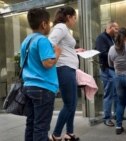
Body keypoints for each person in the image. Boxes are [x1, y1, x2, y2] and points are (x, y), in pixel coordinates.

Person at [21, 8, 61, 141]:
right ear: (43, 24)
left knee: (31, 124)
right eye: (49, 23)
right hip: (43, 88)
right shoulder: (42, 40)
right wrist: (57, 53)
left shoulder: (26, 41)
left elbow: (23, 64)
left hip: (29, 87)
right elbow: (48, 63)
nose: (50, 25)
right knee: (41, 128)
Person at [48, 6, 84, 141]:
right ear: (69, 17)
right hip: (64, 69)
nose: (75, 20)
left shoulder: (64, 29)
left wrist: (75, 51)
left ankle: (69, 133)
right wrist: (55, 60)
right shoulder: (61, 27)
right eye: (75, 17)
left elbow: (63, 48)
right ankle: (56, 135)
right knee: (69, 105)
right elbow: (50, 43)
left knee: (72, 104)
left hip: (68, 69)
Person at [96, 21, 119, 127]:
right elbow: (102, 53)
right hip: (107, 69)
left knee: (116, 93)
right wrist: (116, 54)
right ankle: (107, 118)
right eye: (116, 28)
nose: (117, 30)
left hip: (113, 69)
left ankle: (117, 115)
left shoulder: (112, 39)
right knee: (109, 94)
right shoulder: (101, 38)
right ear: (110, 27)